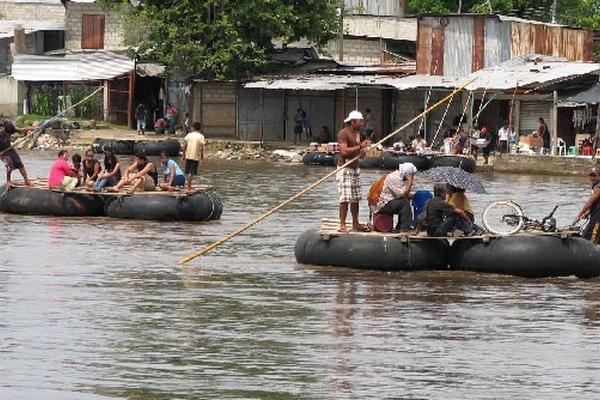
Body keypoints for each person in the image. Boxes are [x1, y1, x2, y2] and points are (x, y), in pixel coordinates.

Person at [336, 110, 371, 232]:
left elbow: (360, 155)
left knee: (355, 198)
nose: (362, 123)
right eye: (360, 121)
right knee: (345, 198)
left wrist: (362, 152)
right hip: (345, 168)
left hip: (355, 168)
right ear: (352, 122)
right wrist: (360, 146)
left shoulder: (358, 133)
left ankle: (355, 223)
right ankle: (342, 224)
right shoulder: (343, 133)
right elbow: (344, 152)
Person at [374, 163, 417, 232]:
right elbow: (403, 194)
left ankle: (400, 226)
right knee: (404, 203)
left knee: (405, 201)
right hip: (384, 205)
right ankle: (405, 229)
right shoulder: (393, 178)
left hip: (391, 202)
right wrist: (410, 182)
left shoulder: (401, 178)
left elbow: (404, 193)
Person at [573, 167, 600, 246]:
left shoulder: (598, 188)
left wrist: (578, 216)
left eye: (595, 176)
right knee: (588, 235)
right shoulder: (596, 187)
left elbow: (590, 203)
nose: (592, 178)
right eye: (591, 176)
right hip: (595, 217)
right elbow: (596, 203)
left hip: (597, 219)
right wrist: (587, 213)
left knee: (591, 241)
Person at [0, 119, 31, 186]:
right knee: (9, 165)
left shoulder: (12, 129)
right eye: (8, 134)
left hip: (10, 149)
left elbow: (22, 130)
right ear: (5, 131)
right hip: (2, 153)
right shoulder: (0, 134)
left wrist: (34, 128)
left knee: (20, 164)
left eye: (11, 134)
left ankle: (26, 180)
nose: (9, 135)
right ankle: (8, 181)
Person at [182, 121, 205, 194]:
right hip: (195, 156)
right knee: (191, 172)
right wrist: (201, 158)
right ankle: (189, 186)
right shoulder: (201, 136)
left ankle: (188, 185)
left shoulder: (189, 135)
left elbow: (184, 145)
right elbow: (201, 148)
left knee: (188, 171)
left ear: (193, 128)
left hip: (188, 155)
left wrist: (183, 154)